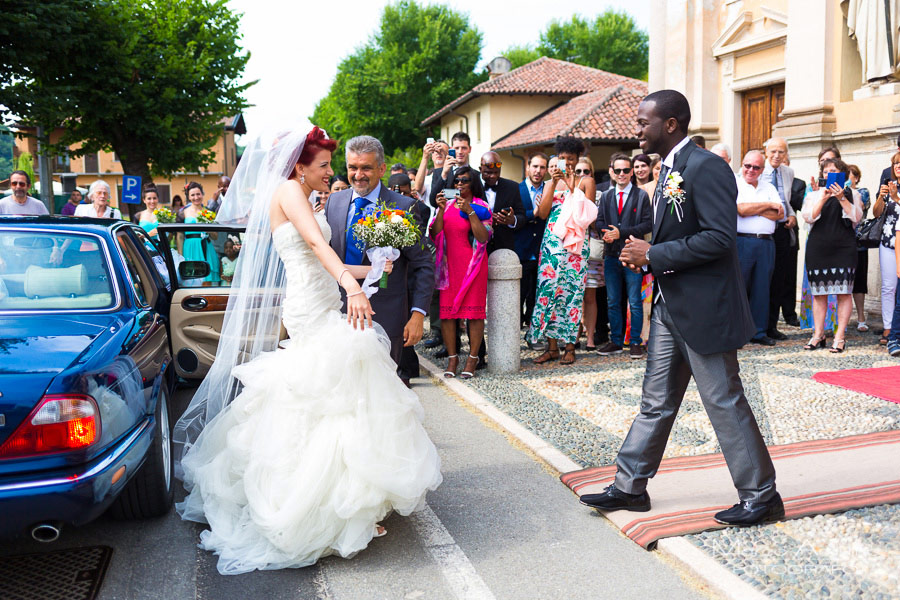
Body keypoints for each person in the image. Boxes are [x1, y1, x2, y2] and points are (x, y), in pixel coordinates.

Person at [174, 125, 441, 575]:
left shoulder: (307, 194)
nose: (333, 173)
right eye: (325, 166)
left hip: (322, 297)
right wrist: (351, 287)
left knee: (339, 395)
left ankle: (351, 497)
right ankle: (316, 502)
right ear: (299, 165)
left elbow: (325, 252)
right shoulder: (291, 193)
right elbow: (317, 245)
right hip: (314, 305)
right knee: (324, 395)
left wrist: (374, 266)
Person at [581, 90, 781, 527]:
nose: (637, 129)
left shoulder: (706, 166)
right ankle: (630, 486)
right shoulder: (667, 168)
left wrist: (654, 254)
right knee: (655, 401)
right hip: (671, 304)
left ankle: (762, 496)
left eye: (643, 121)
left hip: (705, 307)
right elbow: (676, 227)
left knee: (723, 401)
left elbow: (719, 237)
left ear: (671, 124)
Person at [324, 135, 434, 385]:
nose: (358, 174)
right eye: (353, 167)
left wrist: (417, 314)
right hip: (338, 313)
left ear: (382, 169)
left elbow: (423, 264)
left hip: (385, 316)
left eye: (366, 168)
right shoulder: (335, 202)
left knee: (381, 391)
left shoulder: (404, 207)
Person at [527, 136, 598, 366]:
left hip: (575, 245)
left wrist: (570, 185)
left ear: (578, 160)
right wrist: (551, 184)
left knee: (571, 293)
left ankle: (570, 346)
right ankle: (551, 347)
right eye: (562, 158)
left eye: (571, 159)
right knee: (549, 291)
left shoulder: (586, 182)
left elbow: (586, 216)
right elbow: (543, 213)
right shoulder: (549, 183)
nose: (566, 162)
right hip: (551, 244)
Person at [431, 165, 492, 379]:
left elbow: (483, 237)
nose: (459, 184)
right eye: (456, 181)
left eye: (464, 180)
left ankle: (473, 358)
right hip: (448, 268)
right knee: (448, 316)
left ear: (473, 183)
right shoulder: (446, 206)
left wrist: (470, 212)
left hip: (473, 267)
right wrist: (439, 210)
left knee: (474, 315)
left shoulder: (481, 205)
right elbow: (435, 233)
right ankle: (452, 357)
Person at [801, 158, 864, 352]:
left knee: (843, 293)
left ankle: (840, 337)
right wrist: (823, 197)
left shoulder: (852, 193)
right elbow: (808, 217)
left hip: (843, 248)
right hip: (819, 248)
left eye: (834, 170)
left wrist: (841, 198)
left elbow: (856, 218)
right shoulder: (814, 195)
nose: (829, 174)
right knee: (819, 294)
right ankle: (818, 335)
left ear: (842, 175)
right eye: (826, 171)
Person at [596, 153, 652, 358]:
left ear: (631, 172)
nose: (621, 174)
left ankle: (635, 342)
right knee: (612, 300)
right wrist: (606, 233)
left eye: (625, 170)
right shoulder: (606, 196)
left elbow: (647, 224)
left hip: (633, 255)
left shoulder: (641, 196)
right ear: (611, 171)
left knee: (635, 300)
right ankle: (616, 341)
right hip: (611, 255)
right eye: (617, 170)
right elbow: (600, 221)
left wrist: (621, 232)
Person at [736, 150, 784, 346]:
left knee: (762, 287)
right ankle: (738, 332)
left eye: (756, 167)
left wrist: (754, 209)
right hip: (742, 241)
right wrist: (766, 206)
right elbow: (741, 209)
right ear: (742, 165)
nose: (751, 170)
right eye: (748, 165)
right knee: (740, 287)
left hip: (766, 243)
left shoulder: (769, 187)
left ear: (762, 169)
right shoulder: (735, 184)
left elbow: (779, 214)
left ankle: (759, 331)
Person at [762, 138, 798, 339]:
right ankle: (757, 325)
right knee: (762, 279)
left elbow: (786, 200)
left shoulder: (788, 172)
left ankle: (772, 325)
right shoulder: (758, 170)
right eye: (773, 151)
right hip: (763, 230)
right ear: (766, 151)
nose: (777, 155)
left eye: (781, 152)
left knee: (779, 280)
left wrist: (791, 215)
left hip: (782, 230)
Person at [516, 153, 548, 340]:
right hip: (521, 250)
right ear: (528, 167)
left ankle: (534, 335)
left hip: (542, 251)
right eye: (535, 166)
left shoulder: (550, 189)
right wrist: (533, 213)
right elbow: (514, 217)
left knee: (537, 297)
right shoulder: (516, 189)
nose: (538, 171)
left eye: (542, 167)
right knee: (518, 297)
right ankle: (513, 337)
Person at [579, 157, 607, 351]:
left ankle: (590, 337)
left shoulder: (599, 196)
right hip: (571, 251)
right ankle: (575, 333)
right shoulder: (568, 193)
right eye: (578, 172)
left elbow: (599, 222)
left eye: (586, 172)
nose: (582, 175)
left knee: (590, 297)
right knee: (573, 295)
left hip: (591, 249)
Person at [874, 152, 900, 344]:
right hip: (888, 241)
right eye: (895, 163)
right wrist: (882, 198)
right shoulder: (888, 186)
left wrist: (896, 197)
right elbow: (876, 214)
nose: (898, 166)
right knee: (888, 287)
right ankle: (888, 327)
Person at [176, 181, 221, 286]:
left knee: (206, 281)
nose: (196, 197)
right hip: (190, 247)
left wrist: (207, 226)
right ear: (189, 197)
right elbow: (180, 236)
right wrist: (180, 255)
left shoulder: (208, 212)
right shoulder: (183, 213)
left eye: (198, 194)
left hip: (206, 247)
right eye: (193, 195)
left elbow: (215, 236)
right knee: (190, 280)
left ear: (202, 194)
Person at [848, 164, 871, 331]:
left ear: (856, 177)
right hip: (842, 243)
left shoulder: (863, 192)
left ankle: (861, 317)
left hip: (859, 243)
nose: (848, 179)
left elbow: (860, 208)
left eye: (851, 176)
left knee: (859, 282)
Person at [428, 131, 472, 206]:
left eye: (464, 148)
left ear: (469, 149)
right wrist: (444, 175)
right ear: (451, 149)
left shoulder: (476, 174)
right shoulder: (439, 172)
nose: (460, 151)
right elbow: (433, 202)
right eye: (457, 148)